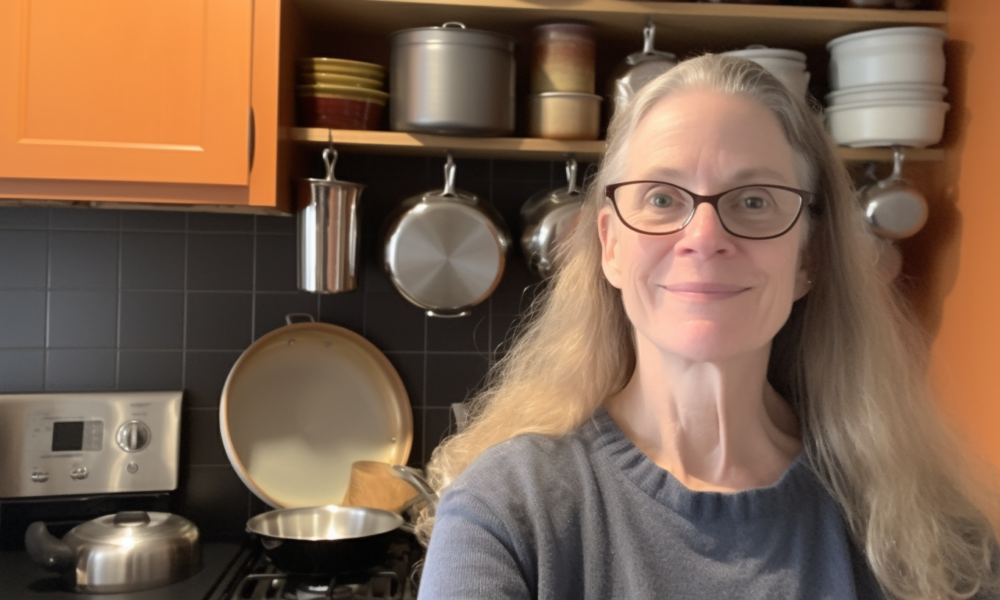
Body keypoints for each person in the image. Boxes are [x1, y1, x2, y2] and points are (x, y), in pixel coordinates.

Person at [415, 54, 1000, 599]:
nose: (704, 238)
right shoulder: (507, 511)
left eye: (753, 201)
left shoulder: (927, 532)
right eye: (663, 198)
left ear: (808, 258)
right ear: (610, 245)